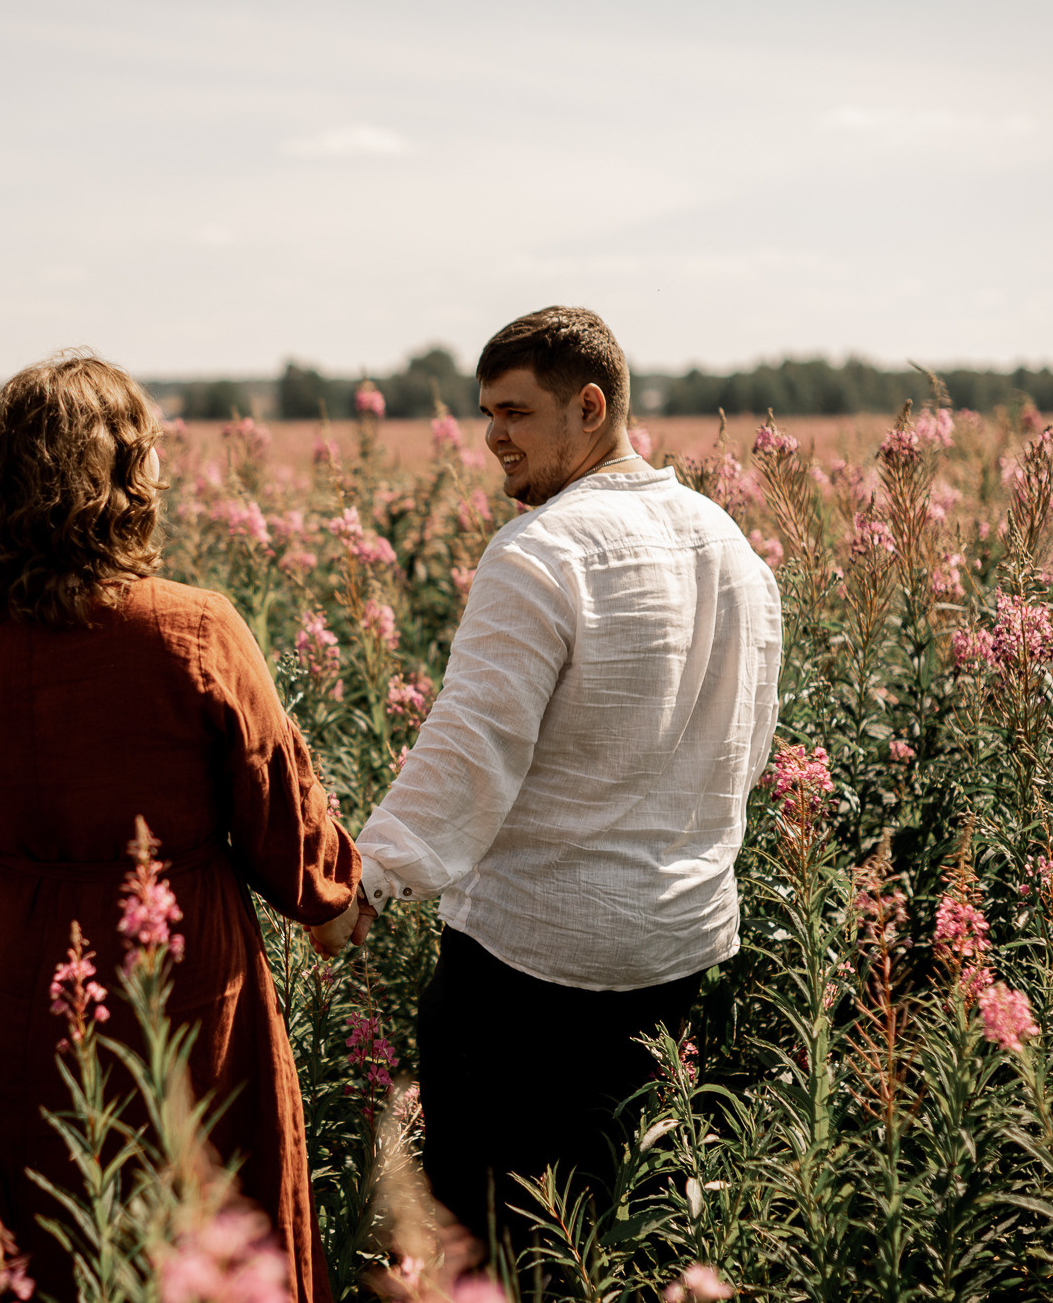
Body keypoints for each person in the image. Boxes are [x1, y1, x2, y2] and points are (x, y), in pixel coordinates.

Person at [0, 352, 360, 1303]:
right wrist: (334, 902)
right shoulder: (196, 630)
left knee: (9, 1249)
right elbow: (284, 824)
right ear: (127, 480)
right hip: (173, 987)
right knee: (197, 1232)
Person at [330, 306, 783, 1244]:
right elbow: (749, 742)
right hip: (676, 949)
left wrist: (365, 877)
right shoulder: (733, 549)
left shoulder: (542, 553)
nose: (491, 437)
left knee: (492, 1238)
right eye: (485, 413)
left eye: (515, 413)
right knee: (616, 1229)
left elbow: (469, 746)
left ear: (591, 407)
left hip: (532, 967)